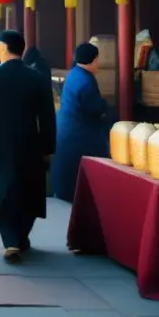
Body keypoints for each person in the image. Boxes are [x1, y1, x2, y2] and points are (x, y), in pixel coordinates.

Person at [0, 30, 56, 264]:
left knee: (1, 191)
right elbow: (48, 116)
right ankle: (20, 236)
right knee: (29, 190)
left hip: (0, 143)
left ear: (3, 48)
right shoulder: (37, 78)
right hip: (30, 142)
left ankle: (11, 240)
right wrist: (48, 146)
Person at [51, 43, 109, 202]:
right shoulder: (86, 81)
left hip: (67, 128)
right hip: (79, 132)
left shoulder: (74, 74)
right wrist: (105, 105)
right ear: (94, 59)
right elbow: (94, 106)